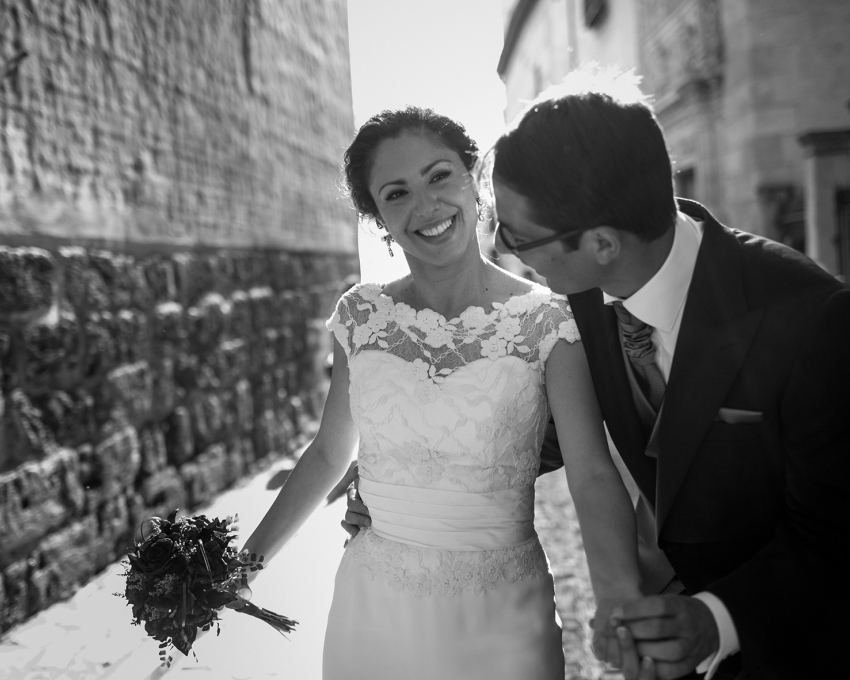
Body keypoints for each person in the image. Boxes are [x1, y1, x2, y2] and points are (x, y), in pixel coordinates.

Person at [239, 106, 648, 679]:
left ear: (473, 179)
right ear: (377, 217)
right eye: (397, 193)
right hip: (373, 611)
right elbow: (332, 452)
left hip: (503, 615)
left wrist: (617, 600)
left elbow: (592, 473)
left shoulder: (547, 321)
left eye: (439, 176)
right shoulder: (362, 315)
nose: (426, 206)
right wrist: (243, 567)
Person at [488, 70, 850, 678]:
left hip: (781, 644)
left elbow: (835, 531)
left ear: (601, 243)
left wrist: (716, 618)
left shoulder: (811, 319)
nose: (506, 251)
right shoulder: (579, 293)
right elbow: (552, 431)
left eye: (515, 235)